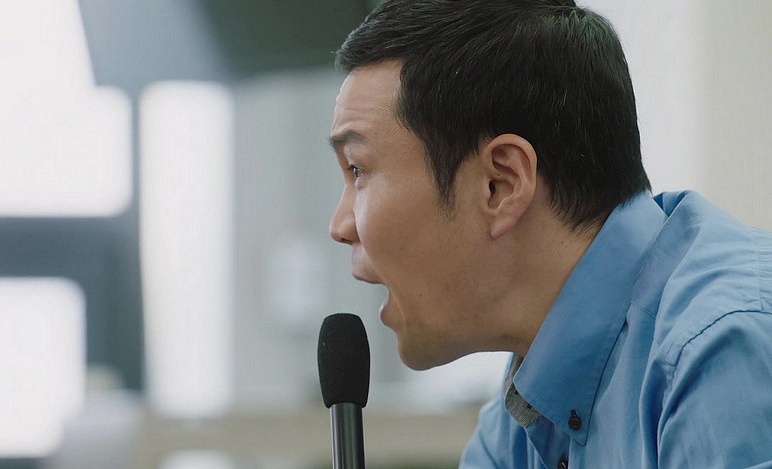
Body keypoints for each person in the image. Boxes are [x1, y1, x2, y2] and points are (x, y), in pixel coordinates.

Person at [327, 0, 772, 467]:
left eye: (358, 170)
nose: (339, 226)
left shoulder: (722, 350)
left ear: (500, 184)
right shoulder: (522, 413)